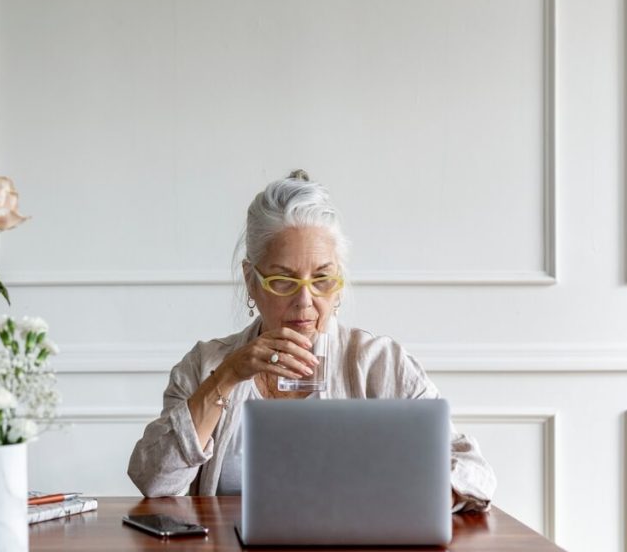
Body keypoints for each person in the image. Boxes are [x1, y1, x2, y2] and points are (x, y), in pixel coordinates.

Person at [128, 170, 496, 512]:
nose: (304, 302)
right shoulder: (205, 365)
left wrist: (403, 497)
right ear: (251, 281)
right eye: (283, 281)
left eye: (321, 280)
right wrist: (227, 376)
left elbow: (474, 471)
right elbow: (154, 480)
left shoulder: (380, 364)